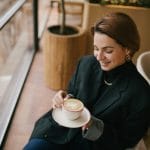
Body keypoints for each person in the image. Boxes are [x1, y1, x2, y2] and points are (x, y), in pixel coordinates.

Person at [23, 12, 150, 150]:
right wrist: (65, 98)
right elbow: (72, 92)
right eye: (96, 48)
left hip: (95, 145)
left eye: (108, 50)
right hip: (60, 131)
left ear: (127, 49)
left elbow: (125, 142)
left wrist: (93, 125)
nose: (99, 57)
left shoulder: (140, 93)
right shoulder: (86, 63)